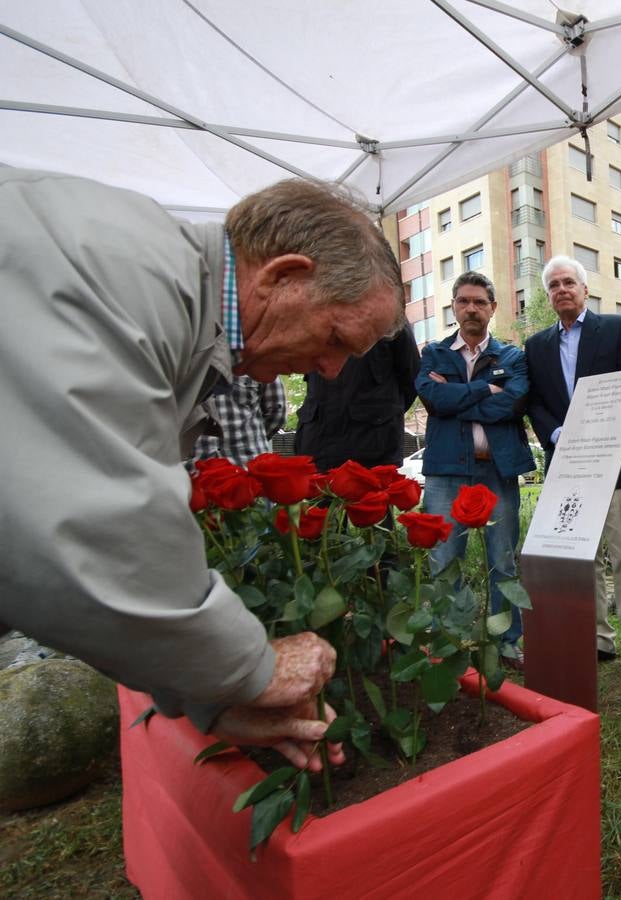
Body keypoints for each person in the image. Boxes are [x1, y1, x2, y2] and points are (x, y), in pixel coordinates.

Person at [0, 169, 405, 771]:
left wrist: (214, 700)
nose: (330, 370)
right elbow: (96, 525)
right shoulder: (129, 284)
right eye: (337, 338)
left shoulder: (162, 286)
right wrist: (254, 668)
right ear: (285, 277)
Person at [524, 256, 621, 683]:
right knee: (583, 556)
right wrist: (557, 433)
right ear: (548, 295)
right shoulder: (536, 345)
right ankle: (598, 637)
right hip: (568, 465)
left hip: (613, 462)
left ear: (584, 288)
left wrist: (595, 432)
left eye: (568, 282)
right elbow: (536, 403)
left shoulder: (616, 328)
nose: (562, 290)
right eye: (554, 285)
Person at [418, 271, 534, 669]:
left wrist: (456, 398)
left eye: (479, 302)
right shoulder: (434, 354)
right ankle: (450, 641)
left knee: (502, 562)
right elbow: (433, 399)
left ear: (493, 308)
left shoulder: (512, 357)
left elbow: (514, 404)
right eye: (464, 301)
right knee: (445, 559)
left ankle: (505, 643)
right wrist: (485, 389)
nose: (471, 308)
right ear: (454, 306)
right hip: (445, 473)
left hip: (496, 472)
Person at [295, 323, 419, 472]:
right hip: (318, 447)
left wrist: (380, 415)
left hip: (371, 449)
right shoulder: (313, 317)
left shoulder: (387, 315)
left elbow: (412, 380)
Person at [192, 375, 287, 467]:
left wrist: (251, 440)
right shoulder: (189, 363)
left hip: (247, 466)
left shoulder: (258, 363)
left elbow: (277, 412)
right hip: (195, 467)